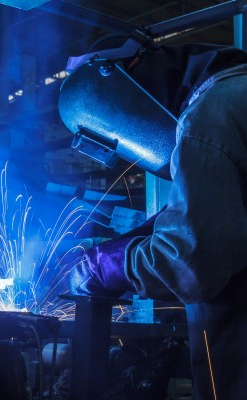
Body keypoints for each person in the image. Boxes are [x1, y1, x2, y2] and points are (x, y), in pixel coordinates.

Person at [60, 36, 247, 400]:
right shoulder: (236, 95)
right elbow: (221, 215)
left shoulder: (211, 116)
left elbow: (188, 262)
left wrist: (108, 267)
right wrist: (128, 241)